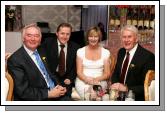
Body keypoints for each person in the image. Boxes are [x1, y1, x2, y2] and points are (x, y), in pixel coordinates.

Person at [7, 23, 68, 101]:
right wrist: (49, 94)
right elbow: (23, 91)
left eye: (36, 36)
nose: (33, 39)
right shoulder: (15, 60)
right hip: (37, 99)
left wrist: (59, 86)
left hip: (55, 92)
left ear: (40, 39)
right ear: (23, 38)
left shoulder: (41, 50)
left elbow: (50, 73)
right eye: (29, 35)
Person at [110, 25, 155, 101]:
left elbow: (148, 86)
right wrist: (115, 85)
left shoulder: (147, 57)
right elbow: (116, 73)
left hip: (135, 98)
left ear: (136, 38)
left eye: (129, 37)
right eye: (124, 37)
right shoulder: (121, 52)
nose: (126, 40)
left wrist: (126, 88)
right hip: (118, 96)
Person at [41, 23, 80, 98]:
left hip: (66, 79)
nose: (65, 36)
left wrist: (70, 78)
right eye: (62, 33)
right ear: (57, 33)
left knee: (65, 98)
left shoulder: (75, 47)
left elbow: (76, 65)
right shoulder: (47, 43)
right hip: (51, 77)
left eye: (67, 34)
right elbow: (43, 62)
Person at [75, 26, 111, 100]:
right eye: (91, 36)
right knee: (89, 96)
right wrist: (87, 79)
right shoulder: (80, 51)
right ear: (87, 37)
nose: (93, 39)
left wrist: (96, 80)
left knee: (98, 97)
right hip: (83, 81)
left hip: (100, 81)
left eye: (96, 36)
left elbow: (107, 73)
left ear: (99, 38)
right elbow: (79, 72)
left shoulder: (105, 52)